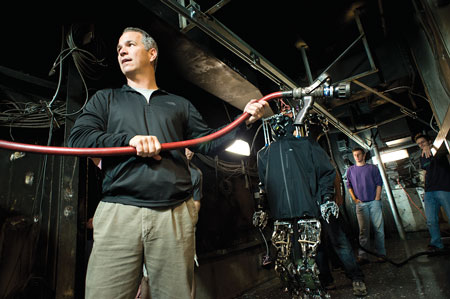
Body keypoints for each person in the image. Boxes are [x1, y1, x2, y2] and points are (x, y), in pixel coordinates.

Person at [68, 27, 267, 299]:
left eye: (129, 45)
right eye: (118, 49)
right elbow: (78, 139)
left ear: (152, 53)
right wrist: (129, 141)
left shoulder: (179, 105)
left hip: (173, 216)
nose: (121, 51)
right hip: (119, 212)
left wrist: (243, 120)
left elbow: (207, 142)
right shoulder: (106, 99)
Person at [256, 113, 367, 297]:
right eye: (274, 124)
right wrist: (262, 208)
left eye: (283, 122)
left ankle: (356, 277)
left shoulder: (307, 144)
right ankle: (326, 281)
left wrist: (327, 199)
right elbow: (264, 185)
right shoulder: (265, 154)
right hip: (295, 213)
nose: (279, 127)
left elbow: (326, 172)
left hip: (319, 205)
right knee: (315, 248)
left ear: (291, 125)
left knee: (339, 242)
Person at [346, 147, 386, 264]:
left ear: (363, 156)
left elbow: (379, 183)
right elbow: (349, 186)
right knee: (363, 230)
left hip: (374, 202)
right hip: (361, 204)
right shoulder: (350, 170)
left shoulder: (372, 168)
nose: (357, 157)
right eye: (354, 155)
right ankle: (363, 256)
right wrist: (355, 199)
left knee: (379, 229)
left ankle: (381, 254)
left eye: (359, 154)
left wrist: (377, 198)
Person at [414, 133, 450, 252]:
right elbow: (426, 172)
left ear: (429, 141)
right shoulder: (422, 156)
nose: (421, 145)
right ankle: (436, 244)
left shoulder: (438, 150)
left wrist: (432, 147)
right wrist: (425, 190)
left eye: (423, 142)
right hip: (430, 191)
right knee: (431, 220)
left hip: (443, 188)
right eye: (419, 144)